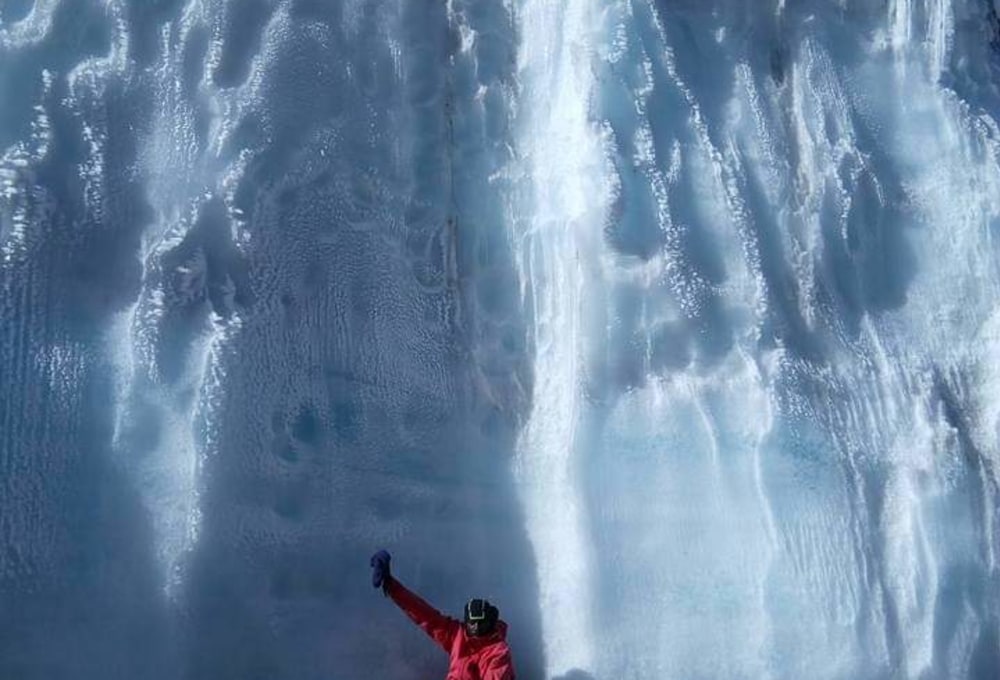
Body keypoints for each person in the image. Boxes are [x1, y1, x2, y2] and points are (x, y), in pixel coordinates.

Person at [370, 550, 516, 680]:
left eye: (480, 624)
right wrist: (390, 584)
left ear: (489, 623)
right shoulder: (458, 635)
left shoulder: (497, 652)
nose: (475, 629)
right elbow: (424, 615)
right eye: (471, 624)